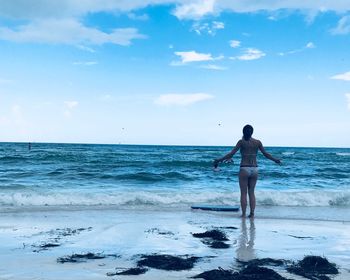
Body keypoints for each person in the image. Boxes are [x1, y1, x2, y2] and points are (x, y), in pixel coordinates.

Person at [213, 125, 281, 218]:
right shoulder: (257, 142)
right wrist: (275, 160)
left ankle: (244, 214)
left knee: (243, 193)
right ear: (252, 132)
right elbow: (265, 154)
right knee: (251, 192)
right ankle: (252, 214)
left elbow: (231, 154)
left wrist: (219, 160)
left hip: (244, 168)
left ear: (243, 132)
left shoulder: (241, 142)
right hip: (255, 169)